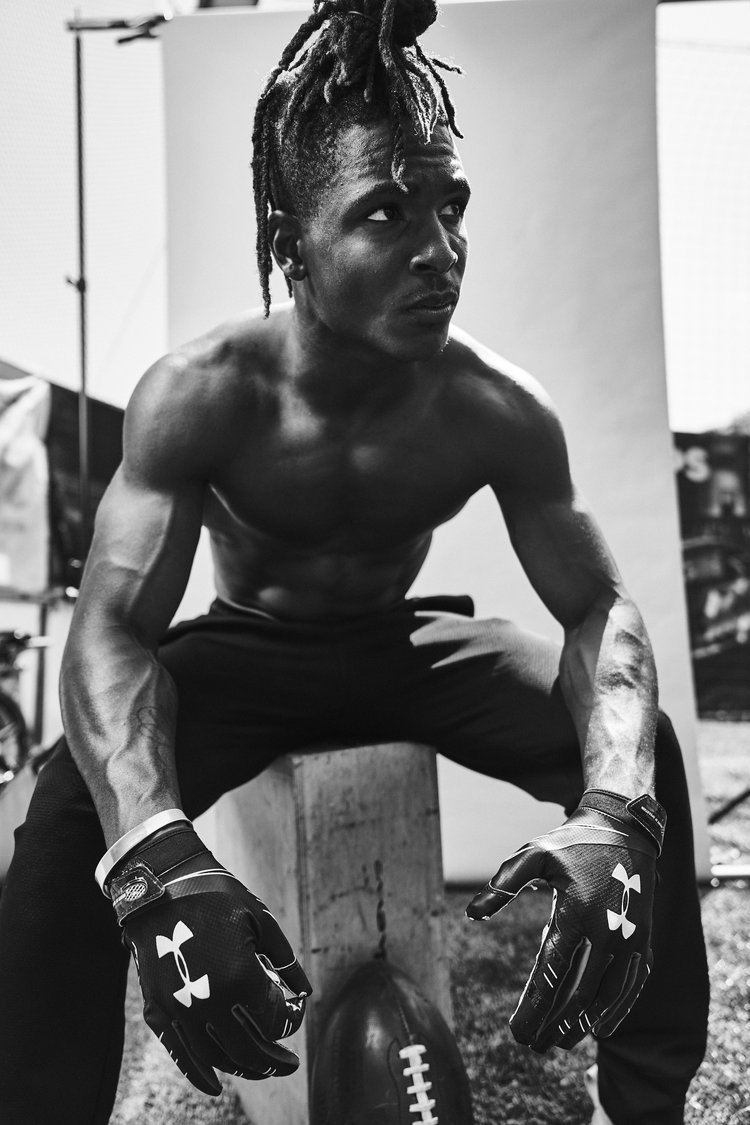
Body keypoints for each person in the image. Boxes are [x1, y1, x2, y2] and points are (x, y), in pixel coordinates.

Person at [0, 1, 708, 1122]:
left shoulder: (494, 406)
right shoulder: (203, 395)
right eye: (385, 212)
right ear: (293, 247)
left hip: (402, 644)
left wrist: (618, 802)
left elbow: (599, 607)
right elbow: (114, 630)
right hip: (249, 652)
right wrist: (153, 843)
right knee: (66, 821)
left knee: (645, 749)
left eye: (450, 205)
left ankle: (650, 1103)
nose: (440, 251)